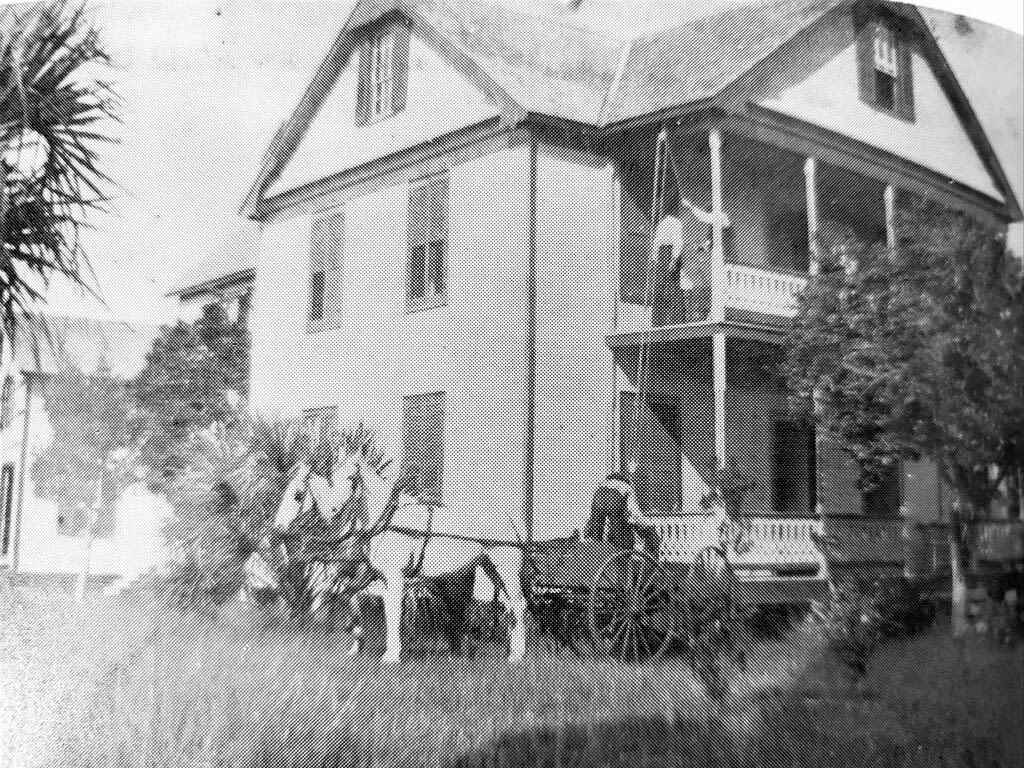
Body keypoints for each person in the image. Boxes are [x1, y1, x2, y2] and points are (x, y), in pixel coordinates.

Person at [585, 468, 659, 555]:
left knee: (597, 536)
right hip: (619, 532)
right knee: (624, 538)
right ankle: (625, 563)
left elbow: (593, 519)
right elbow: (634, 514)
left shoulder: (600, 487)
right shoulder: (625, 487)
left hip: (601, 526)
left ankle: (600, 560)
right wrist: (648, 527)